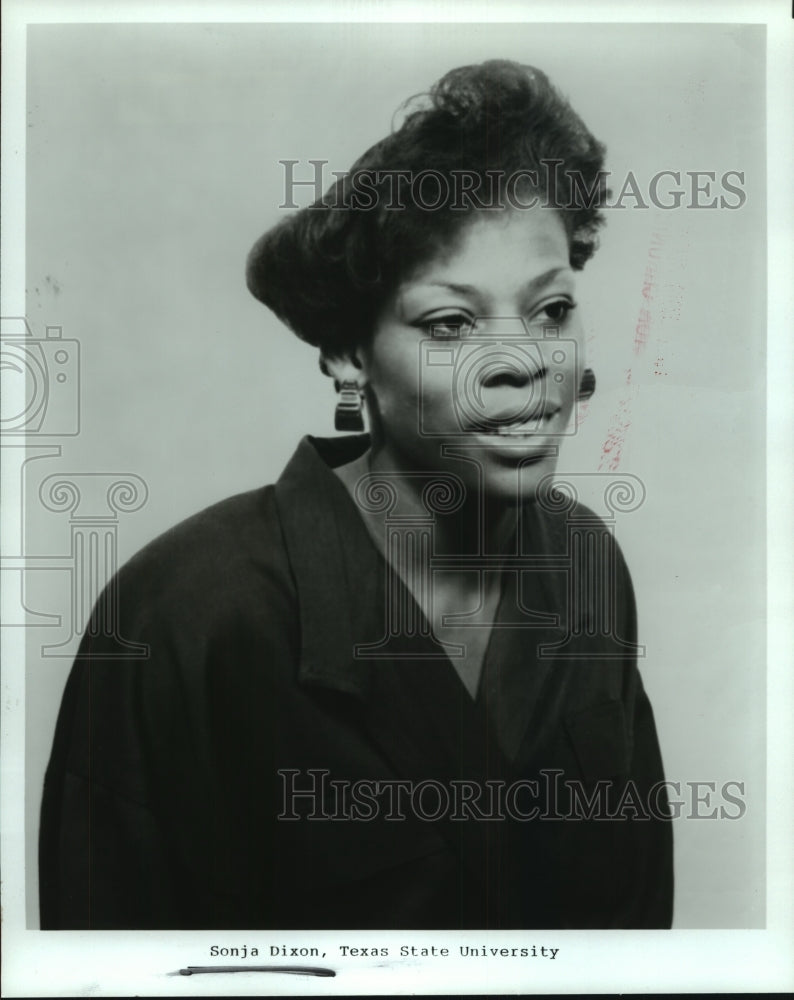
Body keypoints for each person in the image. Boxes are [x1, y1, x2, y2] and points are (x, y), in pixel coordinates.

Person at [39, 60, 673, 930]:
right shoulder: (184, 617)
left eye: (551, 310)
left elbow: (640, 931)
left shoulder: (586, 559)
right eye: (450, 324)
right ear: (346, 352)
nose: (525, 360)